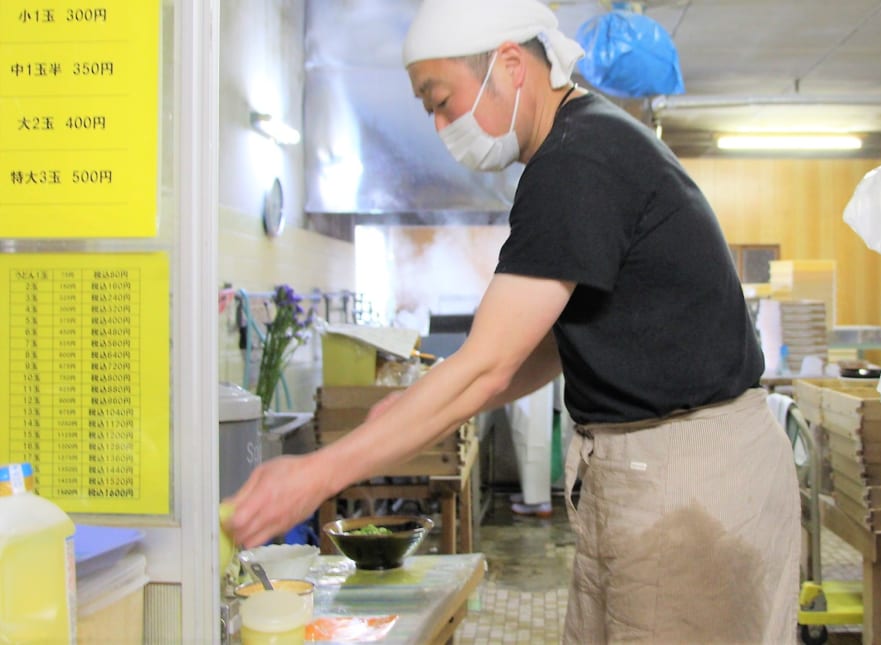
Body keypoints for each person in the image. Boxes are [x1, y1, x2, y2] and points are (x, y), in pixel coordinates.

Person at [226, 0, 801, 642]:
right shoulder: (584, 145)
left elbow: (489, 362)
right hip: (661, 476)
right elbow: (546, 344)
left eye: (440, 99)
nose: (441, 124)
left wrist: (315, 474)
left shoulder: (577, 160)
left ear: (508, 65)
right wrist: (429, 399)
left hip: (691, 483)